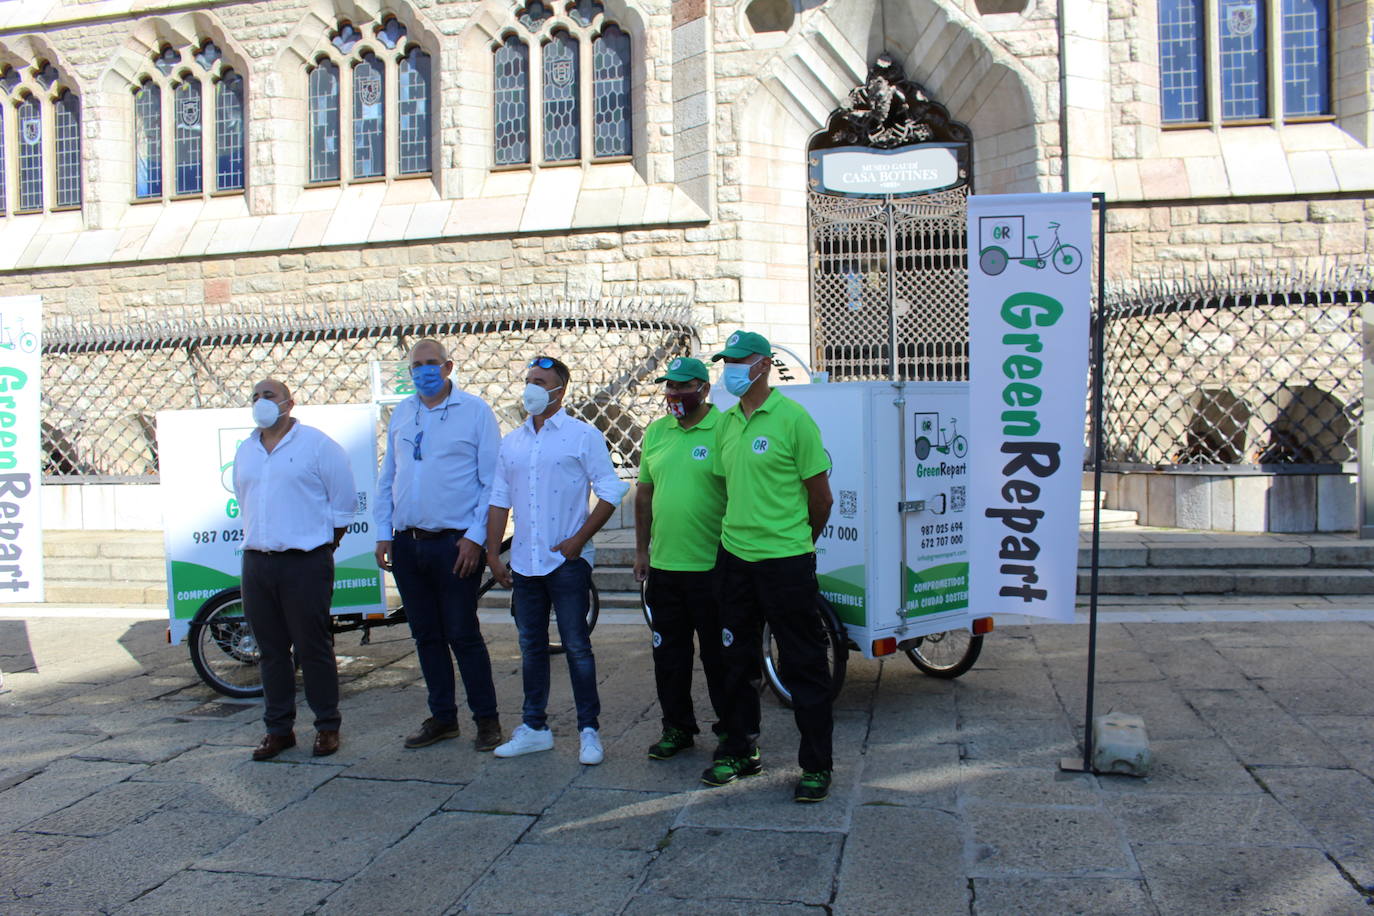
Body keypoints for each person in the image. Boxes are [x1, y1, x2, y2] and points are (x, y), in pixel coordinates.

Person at [703, 331, 836, 803]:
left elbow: (820, 498)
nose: (730, 369)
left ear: (763, 365)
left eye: (740, 361)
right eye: (726, 361)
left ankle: (817, 765)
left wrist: (799, 545)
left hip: (785, 563)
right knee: (733, 660)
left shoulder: (793, 420)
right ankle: (740, 750)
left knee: (803, 664)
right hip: (735, 559)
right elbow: (726, 486)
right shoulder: (726, 423)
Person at [486, 356, 629, 765]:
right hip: (526, 563)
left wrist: (579, 540)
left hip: (567, 562)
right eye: (528, 379)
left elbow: (610, 490)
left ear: (558, 391)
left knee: (577, 646)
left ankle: (589, 731)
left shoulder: (582, 436)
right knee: (530, 647)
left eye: (540, 381)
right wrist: (494, 553)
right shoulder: (511, 442)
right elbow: (498, 498)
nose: (530, 386)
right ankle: (534, 727)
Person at [375, 339, 503, 752]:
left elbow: (492, 483)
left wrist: (475, 538)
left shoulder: (475, 413)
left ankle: (487, 720)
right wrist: (383, 531)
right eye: (417, 365)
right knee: (425, 635)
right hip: (408, 544)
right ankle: (443, 717)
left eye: (432, 364)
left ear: (448, 368)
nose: (424, 371)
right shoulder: (402, 412)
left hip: (455, 545)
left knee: (463, 633)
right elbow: (388, 478)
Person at [233, 378, 356, 761]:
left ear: (289, 402)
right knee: (270, 651)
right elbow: (245, 499)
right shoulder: (246, 450)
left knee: (313, 647)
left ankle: (327, 727)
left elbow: (344, 502)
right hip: (257, 561)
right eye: (254, 396)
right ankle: (278, 729)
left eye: (268, 395)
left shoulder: (317, 445)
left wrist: (321, 544)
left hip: (305, 561)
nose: (260, 402)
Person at [634, 356, 729, 760]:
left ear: (703, 390)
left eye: (682, 386)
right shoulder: (657, 432)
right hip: (665, 569)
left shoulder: (725, 428)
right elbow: (644, 494)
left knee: (720, 658)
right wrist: (641, 550)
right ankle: (677, 728)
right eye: (668, 386)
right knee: (668, 657)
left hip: (713, 569)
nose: (673, 393)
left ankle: (733, 731)